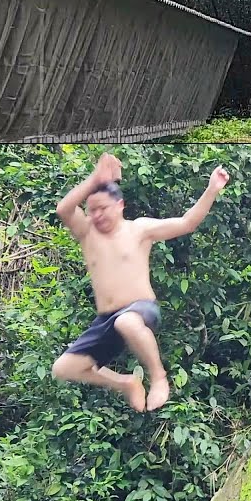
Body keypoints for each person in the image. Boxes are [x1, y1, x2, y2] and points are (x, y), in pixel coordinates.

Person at [50, 152, 229, 412]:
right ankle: (126, 383)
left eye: (103, 208)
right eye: (92, 210)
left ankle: (158, 377)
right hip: (106, 320)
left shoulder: (139, 229)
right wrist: (95, 179)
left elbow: (186, 223)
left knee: (127, 321)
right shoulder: (87, 232)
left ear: (120, 205)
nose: (97, 215)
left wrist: (212, 189)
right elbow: (63, 209)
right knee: (64, 368)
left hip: (140, 309)